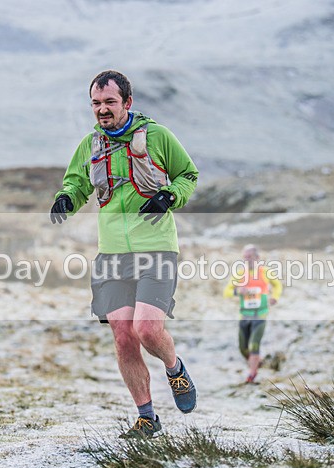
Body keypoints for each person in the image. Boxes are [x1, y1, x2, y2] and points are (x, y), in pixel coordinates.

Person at [50, 70, 199, 438]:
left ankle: (175, 369)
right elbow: (77, 183)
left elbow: (188, 175)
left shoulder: (158, 136)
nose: (102, 109)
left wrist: (168, 197)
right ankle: (147, 418)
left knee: (147, 329)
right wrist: (66, 198)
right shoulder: (90, 145)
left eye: (109, 102)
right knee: (123, 336)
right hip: (112, 253)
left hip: (156, 248)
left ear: (127, 103)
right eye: (96, 103)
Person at [223, 245, 283, 384]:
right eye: (245, 257)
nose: (247, 260)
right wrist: (238, 291)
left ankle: (252, 374)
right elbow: (226, 292)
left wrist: (275, 297)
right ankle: (257, 362)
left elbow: (277, 285)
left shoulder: (265, 272)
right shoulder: (240, 274)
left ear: (257, 258)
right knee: (243, 348)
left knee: (254, 345)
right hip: (244, 315)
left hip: (260, 315)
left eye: (249, 257)